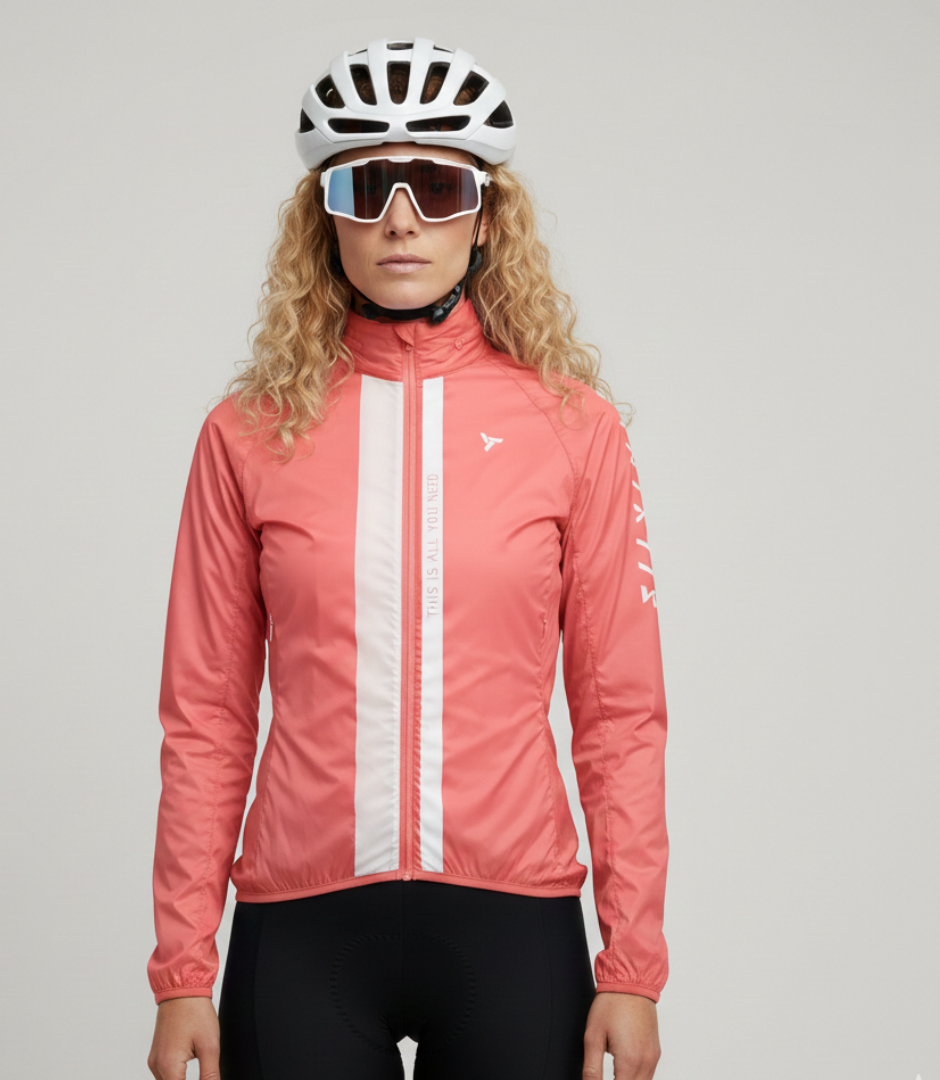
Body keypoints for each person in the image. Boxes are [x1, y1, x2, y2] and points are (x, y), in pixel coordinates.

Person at [146, 37, 669, 1080]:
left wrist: (634, 966)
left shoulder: (574, 429)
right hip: (302, 928)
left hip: (513, 921)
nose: (399, 220)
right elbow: (205, 715)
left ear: (485, 216)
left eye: (435, 188)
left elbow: (619, 712)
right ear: (325, 217)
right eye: (365, 186)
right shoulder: (246, 433)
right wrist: (181, 972)